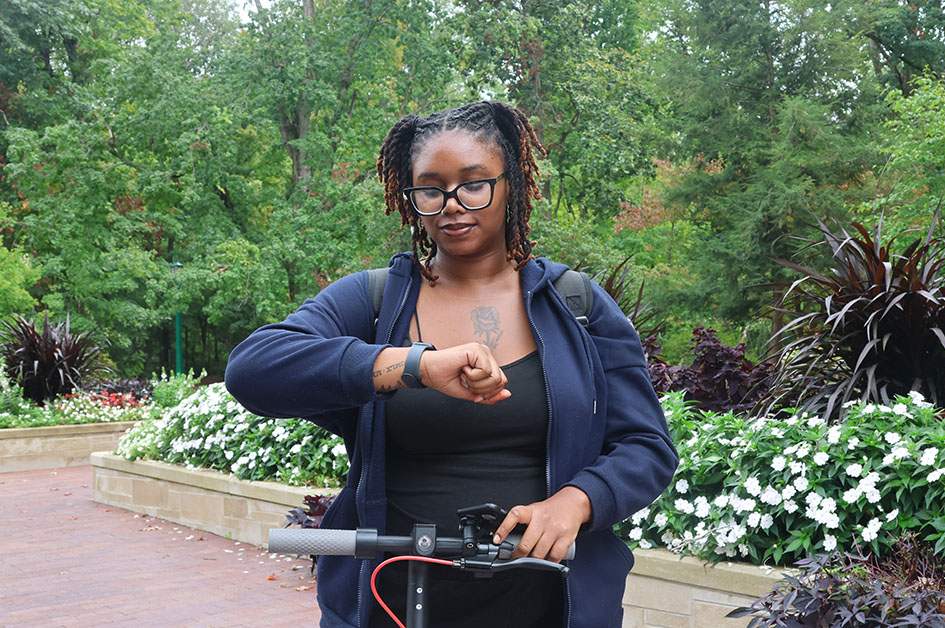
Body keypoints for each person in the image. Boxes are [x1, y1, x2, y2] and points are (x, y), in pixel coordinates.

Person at [225, 100, 678, 628]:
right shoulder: (371, 302)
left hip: (550, 602)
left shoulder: (576, 304)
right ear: (408, 194)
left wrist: (577, 502)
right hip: (393, 601)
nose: (451, 204)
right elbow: (253, 368)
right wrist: (412, 365)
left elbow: (647, 447)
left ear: (511, 185)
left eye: (473, 183)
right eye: (430, 188)